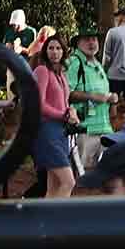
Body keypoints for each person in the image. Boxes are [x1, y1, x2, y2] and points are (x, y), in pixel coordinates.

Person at [32, 35, 79, 198]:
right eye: (51, 48)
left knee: (54, 186)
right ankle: (58, 221)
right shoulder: (42, 71)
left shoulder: (61, 74)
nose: (54, 52)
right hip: (47, 132)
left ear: (63, 52)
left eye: (58, 48)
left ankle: (44, 222)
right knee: (69, 182)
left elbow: (64, 102)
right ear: (45, 51)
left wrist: (71, 112)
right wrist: (63, 115)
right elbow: (40, 104)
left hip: (61, 132)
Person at [65, 29, 117, 174]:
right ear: (77, 43)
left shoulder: (97, 64)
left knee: (107, 176)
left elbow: (103, 94)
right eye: (87, 39)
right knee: (81, 179)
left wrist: (111, 99)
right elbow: (65, 93)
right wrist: (92, 96)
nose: (92, 43)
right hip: (84, 130)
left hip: (105, 129)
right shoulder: (74, 63)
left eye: (94, 39)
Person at [103, 6, 125, 102]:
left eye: (116, 17)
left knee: (113, 102)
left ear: (122, 17)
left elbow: (107, 56)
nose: (115, 19)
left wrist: (103, 70)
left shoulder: (113, 32)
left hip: (114, 75)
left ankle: (112, 117)